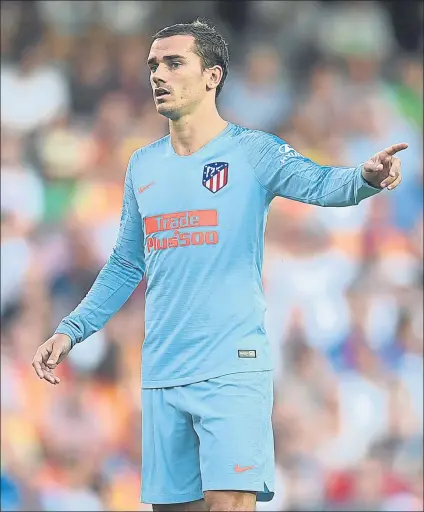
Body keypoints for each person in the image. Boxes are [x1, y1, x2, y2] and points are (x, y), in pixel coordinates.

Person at [32, 19, 407, 512]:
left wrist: (365, 177)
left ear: (212, 76)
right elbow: (126, 263)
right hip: (163, 369)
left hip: (232, 364)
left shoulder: (252, 151)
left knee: (229, 503)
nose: (157, 75)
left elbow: (319, 184)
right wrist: (72, 328)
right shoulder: (142, 165)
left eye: (174, 63)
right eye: (152, 65)